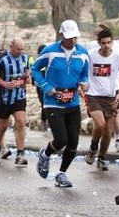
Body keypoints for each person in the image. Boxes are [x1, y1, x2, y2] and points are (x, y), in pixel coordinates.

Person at [32, 19, 89, 188]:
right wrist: (45, 86)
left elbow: (85, 73)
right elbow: (35, 69)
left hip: (72, 102)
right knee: (61, 139)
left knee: (73, 142)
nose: (72, 41)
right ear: (61, 35)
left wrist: (85, 82)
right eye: (69, 38)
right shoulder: (50, 51)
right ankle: (46, 154)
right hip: (53, 102)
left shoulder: (83, 53)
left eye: (75, 38)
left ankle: (61, 173)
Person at [84, 29, 119, 170]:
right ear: (98, 43)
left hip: (110, 97)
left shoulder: (117, 57)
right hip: (93, 95)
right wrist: (82, 84)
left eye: (109, 42)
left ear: (112, 42)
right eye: (103, 43)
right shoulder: (90, 55)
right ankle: (93, 148)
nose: (106, 46)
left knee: (108, 130)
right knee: (100, 124)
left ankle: (102, 158)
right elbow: (81, 70)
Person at [0, 38, 31, 166]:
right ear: (11, 47)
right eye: (18, 49)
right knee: (3, 125)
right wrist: (5, 84)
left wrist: (29, 76)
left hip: (19, 96)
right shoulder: (3, 60)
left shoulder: (25, 58)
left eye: (22, 49)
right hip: (4, 97)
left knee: (20, 122)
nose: (20, 52)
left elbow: (28, 70)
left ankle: (20, 153)